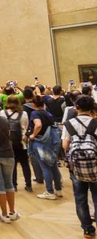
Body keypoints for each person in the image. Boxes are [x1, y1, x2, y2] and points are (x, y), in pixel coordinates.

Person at [62, 95, 97, 238]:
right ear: (91, 108)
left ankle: (87, 229)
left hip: (76, 168)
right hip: (95, 166)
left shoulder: (69, 124)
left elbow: (65, 146)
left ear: (76, 108)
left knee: (80, 197)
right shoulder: (95, 123)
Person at [28, 95, 63, 200]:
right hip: (51, 142)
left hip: (41, 142)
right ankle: (58, 189)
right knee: (53, 166)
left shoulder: (35, 113)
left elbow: (38, 125)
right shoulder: (48, 114)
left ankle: (49, 191)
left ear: (33, 104)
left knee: (45, 167)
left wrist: (33, 135)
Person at [0, 95, 31, 192]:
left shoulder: (2, 113)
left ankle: (14, 185)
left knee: (11, 164)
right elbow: (26, 127)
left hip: (8, 143)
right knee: (25, 164)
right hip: (22, 142)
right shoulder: (24, 113)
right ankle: (28, 185)